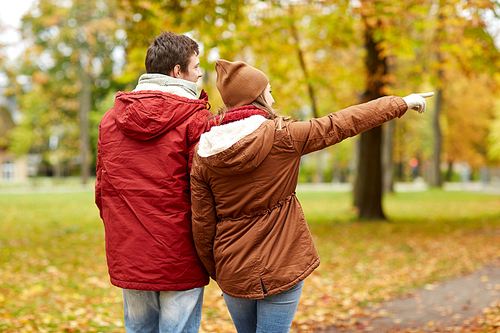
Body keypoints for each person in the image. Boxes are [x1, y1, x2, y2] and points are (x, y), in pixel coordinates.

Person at [190, 59, 433, 333]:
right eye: (268, 91)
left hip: (233, 268)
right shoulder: (284, 137)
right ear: (257, 98)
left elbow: (202, 224)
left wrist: (219, 269)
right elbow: (342, 123)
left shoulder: (203, 152)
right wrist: (401, 103)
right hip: (283, 264)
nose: (273, 96)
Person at [95, 31, 212, 333]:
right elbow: (206, 191)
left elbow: (102, 190)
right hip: (180, 252)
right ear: (178, 72)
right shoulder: (195, 120)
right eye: (196, 65)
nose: (200, 73)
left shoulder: (110, 120)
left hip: (131, 249)